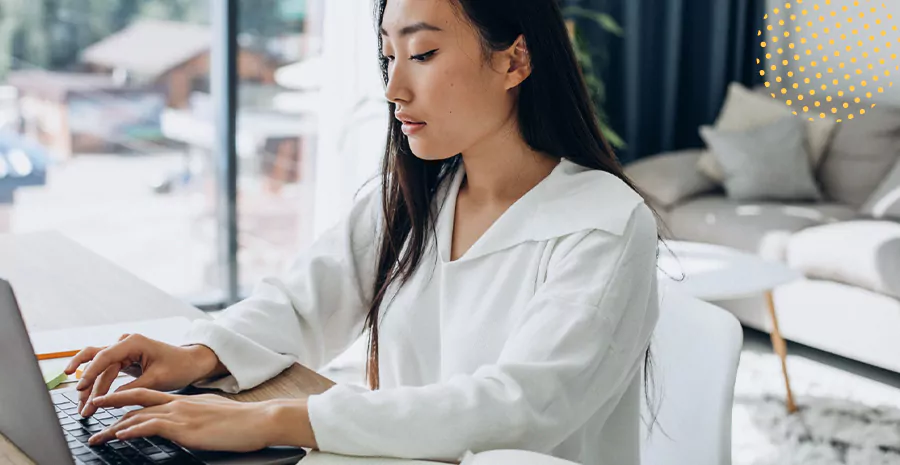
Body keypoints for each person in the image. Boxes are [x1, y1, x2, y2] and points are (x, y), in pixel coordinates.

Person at [65, 0, 661, 463]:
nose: (393, 88)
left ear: (514, 60)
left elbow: (519, 407)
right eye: (388, 57)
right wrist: (199, 355)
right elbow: (304, 304)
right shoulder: (422, 193)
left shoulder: (602, 224)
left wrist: (274, 420)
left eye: (422, 54)